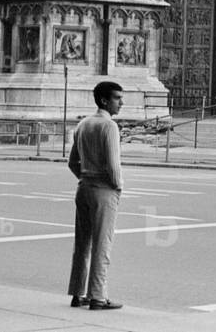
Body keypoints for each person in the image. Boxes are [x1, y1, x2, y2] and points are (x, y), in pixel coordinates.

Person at [68, 81, 125, 310]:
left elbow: (73, 162)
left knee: (82, 244)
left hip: (84, 188)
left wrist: (85, 176)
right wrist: (117, 185)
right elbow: (113, 165)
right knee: (103, 244)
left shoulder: (83, 124)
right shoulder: (109, 126)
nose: (121, 103)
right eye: (117, 98)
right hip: (103, 190)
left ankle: (78, 293)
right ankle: (98, 297)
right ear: (104, 100)